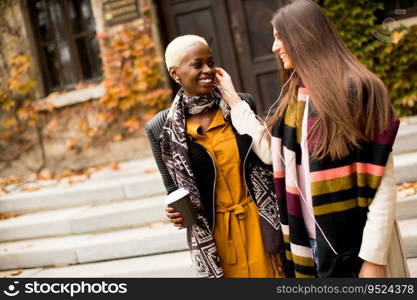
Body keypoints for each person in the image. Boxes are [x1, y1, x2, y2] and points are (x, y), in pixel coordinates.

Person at [214, 0, 409, 278]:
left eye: (279, 37)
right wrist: (234, 102)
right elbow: (273, 155)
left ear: (304, 36)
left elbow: (381, 183)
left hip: (360, 247)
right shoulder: (295, 98)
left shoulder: (359, 90)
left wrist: (373, 259)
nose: (273, 47)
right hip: (311, 247)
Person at [145, 35, 284, 278]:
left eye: (211, 62)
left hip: (259, 225)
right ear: (175, 73)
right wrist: (175, 214)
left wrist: (235, 100)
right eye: (198, 64)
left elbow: (269, 160)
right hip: (214, 237)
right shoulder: (161, 127)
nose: (207, 70)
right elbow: (173, 190)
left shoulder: (240, 104)